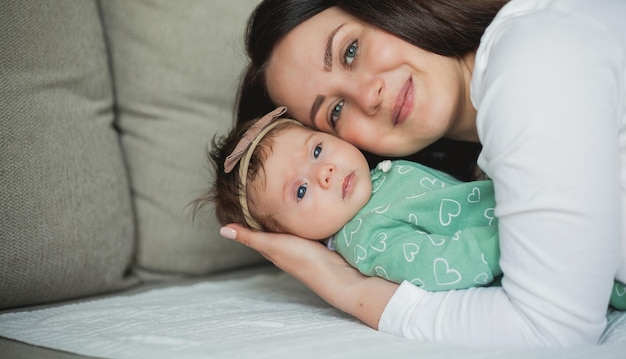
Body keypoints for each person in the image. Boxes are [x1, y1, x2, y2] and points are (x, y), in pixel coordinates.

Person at [220, 0, 626, 347]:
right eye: (336, 111)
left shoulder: (527, 62)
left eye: (350, 50)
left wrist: (347, 286)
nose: (368, 94)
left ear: (384, 2)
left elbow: (552, 331)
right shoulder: (483, 158)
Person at [196, 106, 503, 292]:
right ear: (292, 237)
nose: (325, 172)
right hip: (514, 243)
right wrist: (509, 240)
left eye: (317, 150)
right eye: (300, 191)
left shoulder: (380, 173)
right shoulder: (365, 237)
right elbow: (437, 265)